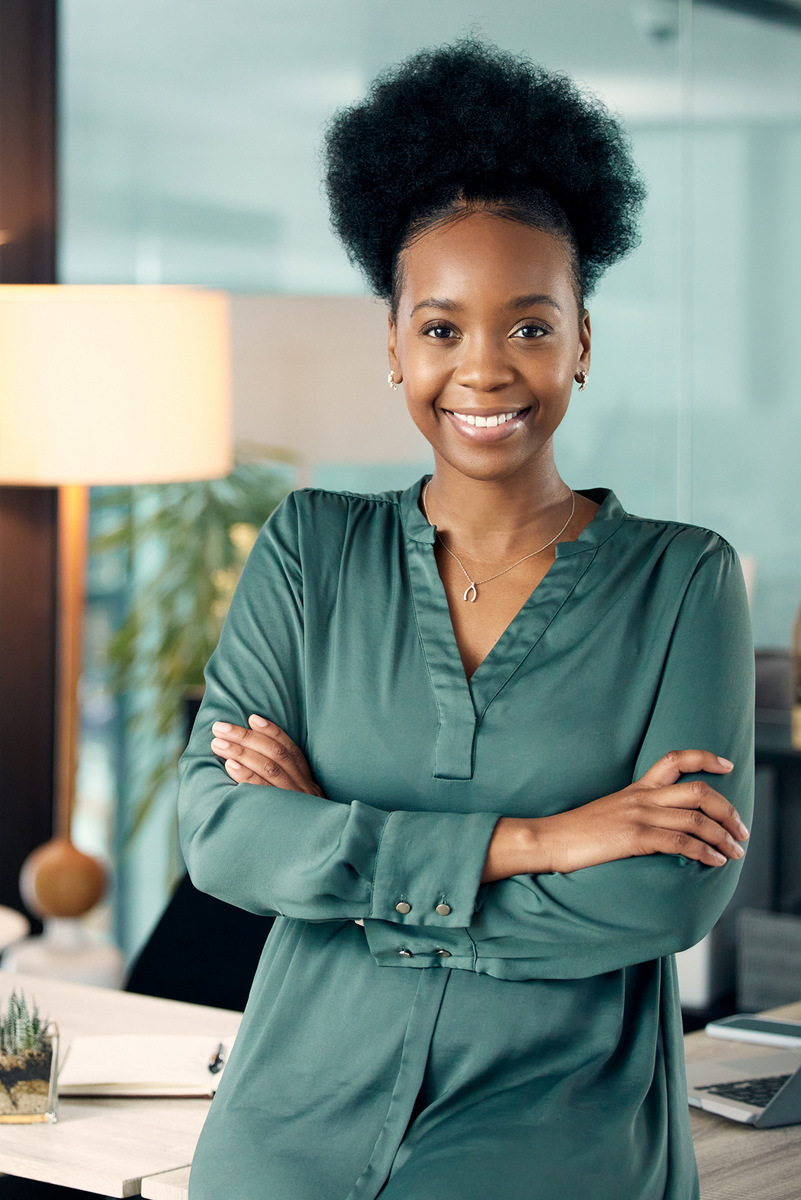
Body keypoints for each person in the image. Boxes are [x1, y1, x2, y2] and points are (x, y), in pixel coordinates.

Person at [177, 39, 754, 1200]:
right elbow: (219, 835)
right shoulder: (309, 549)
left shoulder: (685, 584)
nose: (483, 369)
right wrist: (541, 839)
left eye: (529, 326)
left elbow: (665, 892)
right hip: (285, 1132)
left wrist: (337, 858)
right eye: (441, 327)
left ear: (583, 343)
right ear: (394, 346)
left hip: (549, 1143)